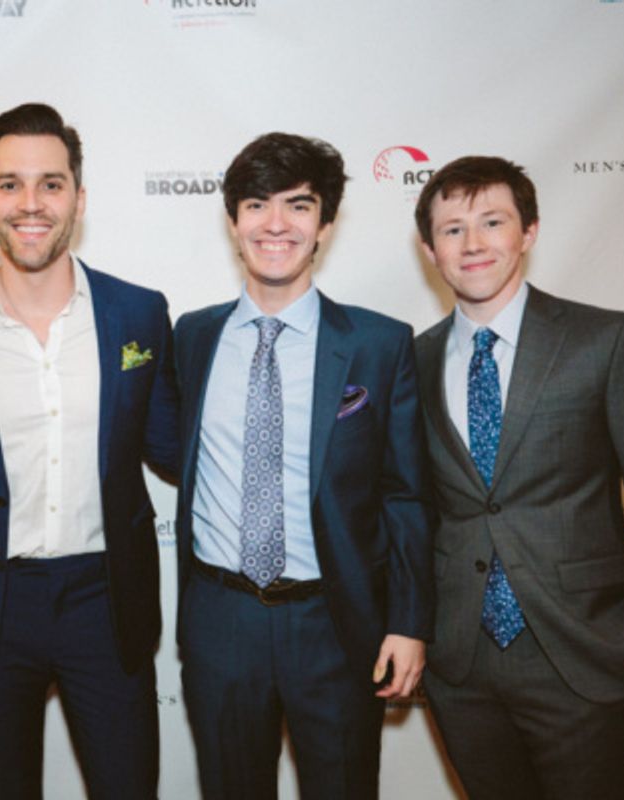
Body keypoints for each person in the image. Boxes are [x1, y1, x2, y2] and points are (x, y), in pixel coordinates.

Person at [413, 155, 624, 799]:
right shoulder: (411, 362)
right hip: (461, 668)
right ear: (429, 248)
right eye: (453, 229)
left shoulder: (606, 342)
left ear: (530, 231)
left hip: (585, 660)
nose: (473, 243)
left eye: (493, 221)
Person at [0, 103, 178, 799]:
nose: (31, 204)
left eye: (51, 184)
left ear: (79, 199)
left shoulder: (139, 314)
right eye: (10, 184)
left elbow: (179, 449)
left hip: (107, 601)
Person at [173, 132, 433, 799]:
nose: (277, 224)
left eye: (298, 204)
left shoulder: (379, 344)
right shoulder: (192, 337)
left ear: (325, 223)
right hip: (220, 620)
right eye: (257, 204)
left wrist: (407, 621)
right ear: (233, 222)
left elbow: (405, 494)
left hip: (335, 623)